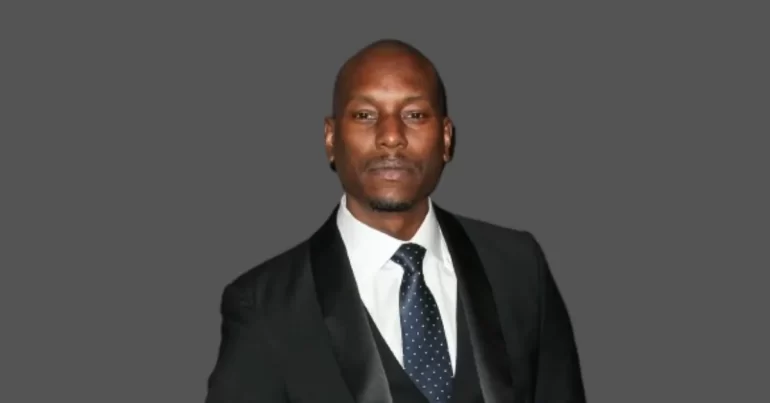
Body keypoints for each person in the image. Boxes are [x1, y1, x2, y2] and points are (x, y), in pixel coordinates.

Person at [204, 38, 586, 403]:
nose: (391, 137)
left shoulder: (519, 268)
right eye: (365, 115)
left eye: (414, 115)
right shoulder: (265, 307)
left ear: (446, 138)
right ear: (331, 139)